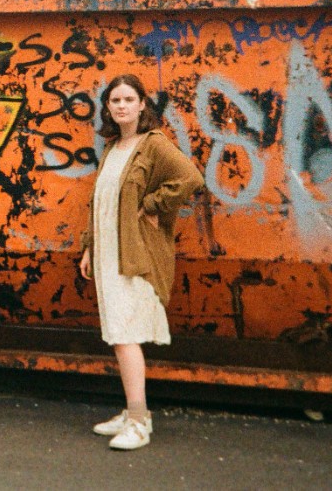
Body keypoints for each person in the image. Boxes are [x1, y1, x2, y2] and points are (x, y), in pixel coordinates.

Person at [78, 74, 203, 450]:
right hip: (108, 253)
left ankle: (138, 421)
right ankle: (133, 412)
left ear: (142, 104)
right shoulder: (113, 146)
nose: (121, 106)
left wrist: (151, 205)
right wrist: (89, 247)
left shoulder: (153, 144)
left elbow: (190, 178)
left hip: (133, 255)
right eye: (115, 100)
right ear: (108, 107)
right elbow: (101, 202)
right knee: (118, 333)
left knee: (125, 335)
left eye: (128, 99)